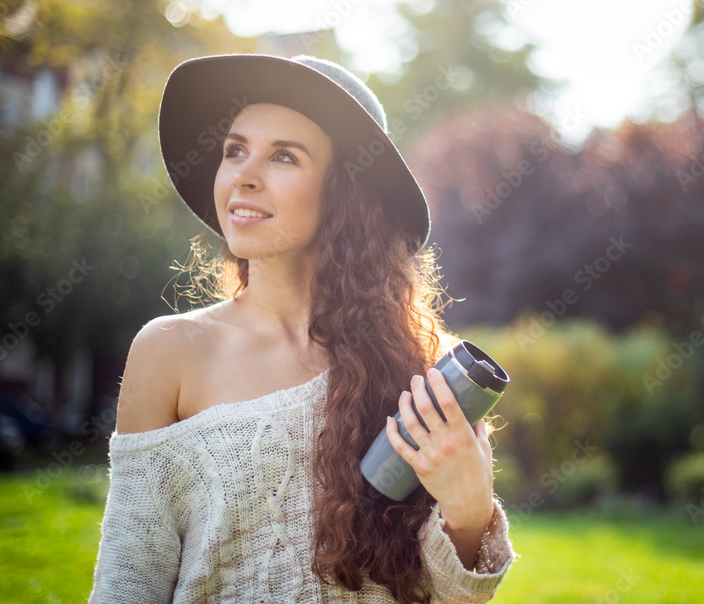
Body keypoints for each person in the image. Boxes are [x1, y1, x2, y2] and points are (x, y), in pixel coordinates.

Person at [88, 54, 517, 603]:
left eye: (284, 157)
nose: (244, 175)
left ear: (344, 193)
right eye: (235, 150)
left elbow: (451, 596)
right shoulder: (170, 351)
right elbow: (128, 582)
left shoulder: (421, 365)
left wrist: (470, 509)